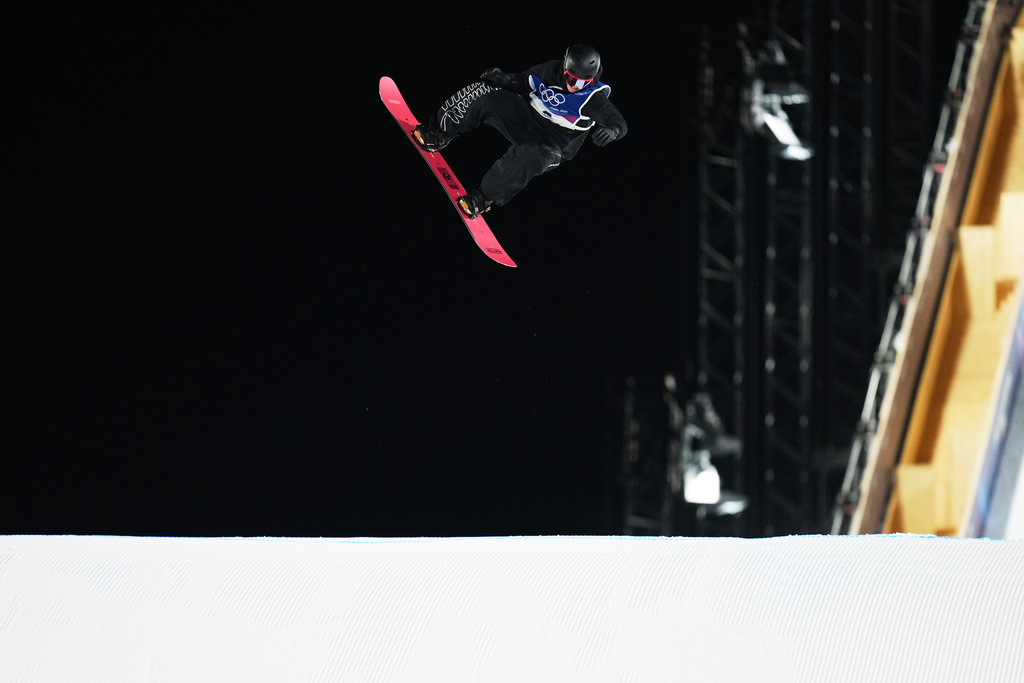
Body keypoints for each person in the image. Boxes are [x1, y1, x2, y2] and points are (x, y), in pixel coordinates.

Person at [412, 44, 628, 218]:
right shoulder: (551, 70)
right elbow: (524, 81)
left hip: (553, 144)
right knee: (490, 94)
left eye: (583, 83)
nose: (575, 86)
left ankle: (482, 198)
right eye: (571, 79)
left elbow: (617, 122)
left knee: (530, 157)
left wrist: (612, 131)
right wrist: (503, 80)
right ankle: (440, 132)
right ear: (565, 68)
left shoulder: (593, 98)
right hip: (527, 120)